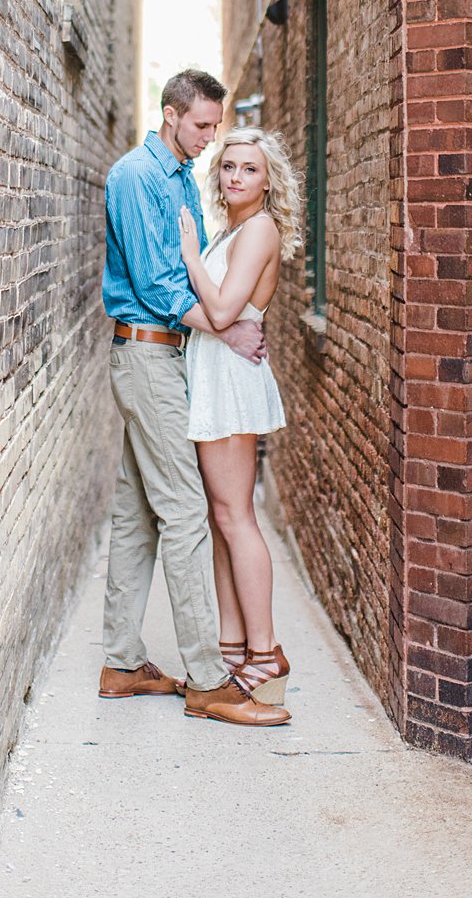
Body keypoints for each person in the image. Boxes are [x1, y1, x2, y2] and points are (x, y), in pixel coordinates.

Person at [99, 70, 291, 727]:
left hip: (171, 356)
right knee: (186, 511)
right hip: (147, 350)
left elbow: (201, 270)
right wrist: (226, 324)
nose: (212, 142)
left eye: (218, 128)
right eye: (203, 127)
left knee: (136, 509)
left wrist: (228, 319)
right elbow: (160, 284)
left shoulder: (181, 175)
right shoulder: (135, 176)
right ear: (170, 114)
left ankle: (122, 661)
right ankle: (209, 678)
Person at [178, 127, 299, 707]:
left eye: (249, 169)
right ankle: (232, 645)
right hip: (216, 370)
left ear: (267, 180)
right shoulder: (233, 228)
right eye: (228, 167)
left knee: (236, 516)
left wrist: (186, 259)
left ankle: (266, 652)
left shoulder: (259, 230)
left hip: (230, 378)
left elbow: (224, 308)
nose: (235, 177)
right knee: (221, 513)